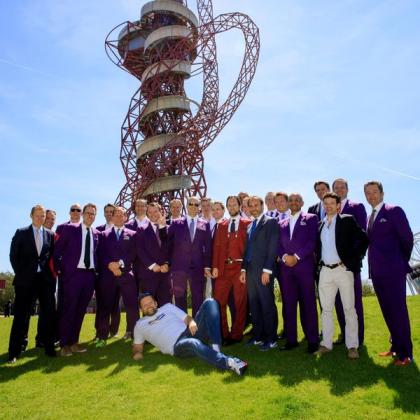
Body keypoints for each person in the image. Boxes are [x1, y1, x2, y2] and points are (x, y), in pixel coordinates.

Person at [132, 294, 248, 376]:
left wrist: (191, 322)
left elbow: (187, 318)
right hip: (177, 346)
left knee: (210, 302)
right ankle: (229, 362)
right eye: (145, 305)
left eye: (151, 302)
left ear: (156, 303)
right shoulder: (140, 325)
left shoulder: (167, 307)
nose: (149, 305)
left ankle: (215, 348)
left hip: (190, 332)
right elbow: (137, 348)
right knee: (193, 343)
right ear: (141, 308)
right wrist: (137, 354)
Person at [364, 181, 414, 366]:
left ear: (382, 193)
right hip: (377, 273)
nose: (371, 196)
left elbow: (407, 238)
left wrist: (400, 261)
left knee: (398, 311)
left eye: (374, 192)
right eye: (368, 193)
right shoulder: (370, 217)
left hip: (394, 270)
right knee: (387, 311)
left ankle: (406, 354)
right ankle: (395, 347)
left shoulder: (394, 211)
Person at [315, 193, 368, 359]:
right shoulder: (320, 225)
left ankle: (352, 346)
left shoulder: (347, 220)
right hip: (325, 272)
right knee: (326, 310)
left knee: (349, 309)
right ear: (323, 206)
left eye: (332, 203)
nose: (329, 206)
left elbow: (364, 239)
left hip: (343, 270)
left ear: (338, 205)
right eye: (326, 203)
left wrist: (352, 260)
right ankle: (326, 344)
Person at [8, 205, 56, 363]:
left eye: (43, 216)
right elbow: (13, 256)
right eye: (38, 215)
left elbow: (51, 258)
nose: (41, 218)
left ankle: (49, 349)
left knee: (48, 315)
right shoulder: (21, 233)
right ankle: (14, 352)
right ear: (31, 216)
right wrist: (22, 274)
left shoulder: (49, 235)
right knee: (21, 316)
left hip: (45, 281)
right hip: (26, 281)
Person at [54, 203, 100, 356]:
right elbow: (57, 251)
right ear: (82, 214)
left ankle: (74, 342)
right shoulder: (70, 229)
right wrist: (61, 270)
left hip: (89, 276)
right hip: (73, 275)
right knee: (69, 310)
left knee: (80, 311)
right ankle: (64, 344)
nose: (90, 216)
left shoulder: (96, 234)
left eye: (93, 214)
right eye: (88, 213)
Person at [277, 194, 319, 353]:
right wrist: (284, 257)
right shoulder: (281, 223)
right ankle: (291, 340)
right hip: (286, 269)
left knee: (308, 304)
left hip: (304, 267)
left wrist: (297, 257)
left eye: (297, 200)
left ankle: (313, 341)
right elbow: (278, 245)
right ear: (288, 204)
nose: (294, 203)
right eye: (291, 200)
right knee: (288, 305)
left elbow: (312, 242)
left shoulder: (311, 218)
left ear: (302, 203)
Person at [240, 196, 279, 351]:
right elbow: (246, 250)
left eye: (257, 205)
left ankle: (271, 339)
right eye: (251, 206)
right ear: (248, 208)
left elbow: (272, 247)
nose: (254, 208)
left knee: (267, 304)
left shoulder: (270, 222)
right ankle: (258, 336)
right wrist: (243, 269)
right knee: (254, 305)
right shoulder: (250, 226)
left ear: (262, 206)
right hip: (250, 271)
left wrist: (267, 270)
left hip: (263, 271)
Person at [96, 206, 138, 347]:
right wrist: (110, 265)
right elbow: (100, 253)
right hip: (108, 276)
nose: (120, 217)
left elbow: (133, 253)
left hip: (126, 274)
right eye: (117, 215)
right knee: (105, 305)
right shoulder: (103, 235)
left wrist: (119, 265)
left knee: (131, 306)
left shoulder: (133, 234)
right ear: (112, 217)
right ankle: (101, 336)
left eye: (122, 215)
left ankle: (133, 334)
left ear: (126, 217)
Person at [332, 178, 367, 345]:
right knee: (339, 301)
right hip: (332, 266)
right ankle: (346, 334)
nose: (339, 190)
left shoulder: (356, 207)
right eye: (335, 188)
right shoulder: (329, 210)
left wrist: (353, 259)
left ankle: (358, 337)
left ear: (347, 189)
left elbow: (362, 236)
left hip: (349, 265)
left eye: (341, 187)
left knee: (353, 302)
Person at [212, 196, 251, 344]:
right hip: (223, 268)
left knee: (240, 302)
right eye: (229, 205)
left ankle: (236, 335)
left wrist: (245, 269)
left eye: (234, 204)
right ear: (227, 207)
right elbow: (216, 248)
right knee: (219, 302)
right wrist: (215, 266)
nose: (232, 207)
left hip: (239, 268)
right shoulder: (222, 225)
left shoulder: (248, 223)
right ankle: (224, 334)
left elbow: (250, 249)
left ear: (239, 206)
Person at [167, 196, 212, 316]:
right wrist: (169, 263)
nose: (193, 207)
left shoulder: (205, 224)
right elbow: (168, 245)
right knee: (180, 297)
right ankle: (183, 325)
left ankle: (197, 324)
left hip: (198, 267)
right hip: (179, 267)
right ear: (186, 206)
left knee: (198, 296)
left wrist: (207, 266)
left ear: (199, 208)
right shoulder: (176, 223)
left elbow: (208, 247)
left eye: (196, 205)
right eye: (191, 204)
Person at [135, 203, 171, 306]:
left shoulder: (169, 229)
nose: (152, 214)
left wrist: (167, 264)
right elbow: (140, 250)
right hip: (148, 275)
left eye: (155, 211)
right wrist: (152, 265)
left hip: (165, 275)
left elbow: (171, 249)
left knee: (165, 306)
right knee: (148, 308)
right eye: (149, 212)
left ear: (161, 212)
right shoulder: (141, 229)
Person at [95, 203, 121, 339]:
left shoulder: (124, 229)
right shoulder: (98, 230)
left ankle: (114, 330)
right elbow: (97, 253)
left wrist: (118, 266)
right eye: (107, 211)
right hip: (104, 274)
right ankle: (100, 331)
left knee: (116, 304)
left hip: (119, 273)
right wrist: (107, 265)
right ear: (104, 213)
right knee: (102, 304)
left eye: (112, 211)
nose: (110, 214)